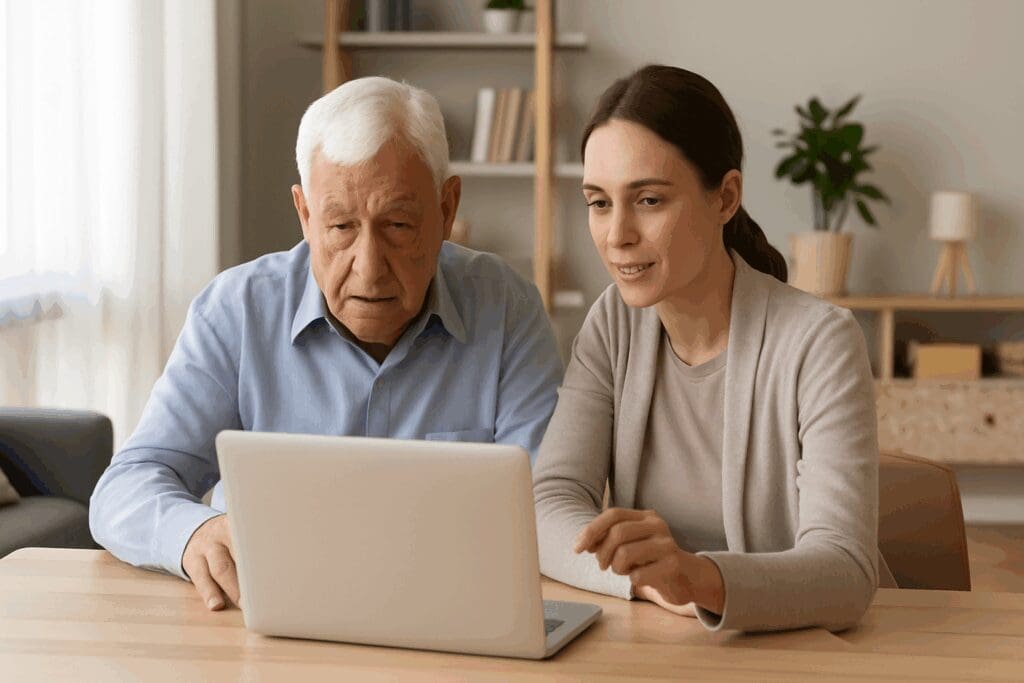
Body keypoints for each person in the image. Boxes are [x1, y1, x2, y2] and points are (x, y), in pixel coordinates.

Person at [90, 76, 562, 612]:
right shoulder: (235, 311)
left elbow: (543, 505)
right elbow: (125, 486)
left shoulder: (507, 310)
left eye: (399, 225)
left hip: (450, 615)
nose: (368, 267)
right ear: (305, 215)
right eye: (340, 226)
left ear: (447, 209)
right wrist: (195, 533)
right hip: (271, 619)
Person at [533, 64, 891, 634]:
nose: (617, 234)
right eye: (599, 202)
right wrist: (647, 582)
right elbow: (547, 502)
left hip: (809, 658)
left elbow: (846, 572)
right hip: (665, 648)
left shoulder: (821, 341)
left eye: (648, 200)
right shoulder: (612, 325)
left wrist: (697, 579)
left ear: (725, 197)